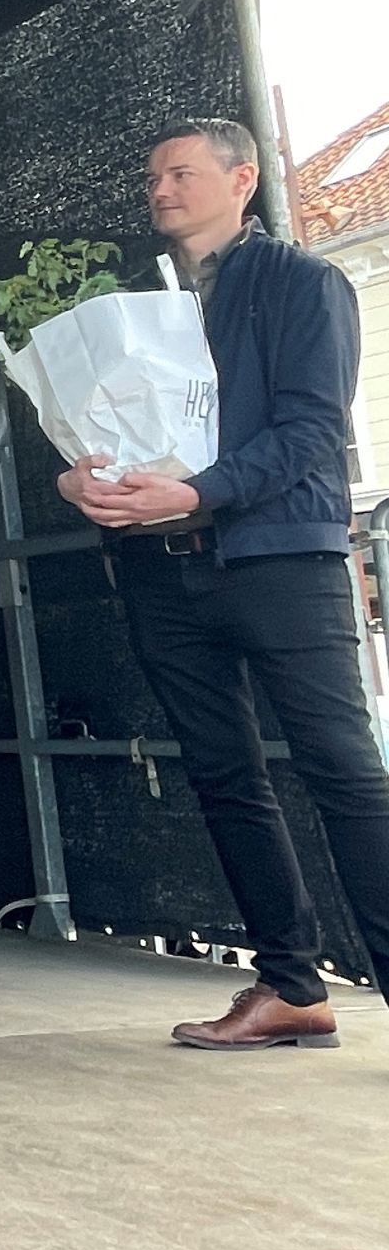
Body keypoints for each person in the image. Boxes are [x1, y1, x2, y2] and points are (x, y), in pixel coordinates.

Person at [57, 118, 389, 1050]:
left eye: (181, 173)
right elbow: (98, 428)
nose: (161, 190)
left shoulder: (304, 282)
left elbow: (312, 430)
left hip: (281, 559)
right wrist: (74, 479)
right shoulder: (136, 303)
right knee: (223, 778)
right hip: (163, 569)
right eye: (153, 177)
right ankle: (291, 986)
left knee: (342, 772)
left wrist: (199, 491)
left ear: (243, 181)